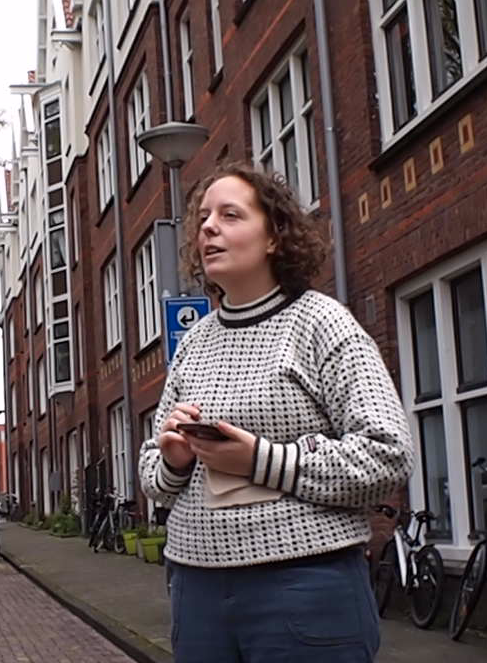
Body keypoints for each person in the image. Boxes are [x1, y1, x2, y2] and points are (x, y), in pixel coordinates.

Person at [138, 161, 413, 663]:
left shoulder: (321, 323)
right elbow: (153, 475)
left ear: (273, 237)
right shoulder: (193, 344)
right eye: (204, 217)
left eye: (230, 215)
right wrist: (173, 460)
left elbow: (387, 456)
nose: (208, 228)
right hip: (196, 591)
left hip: (304, 586)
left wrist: (259, 460)